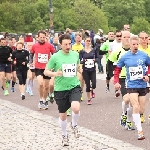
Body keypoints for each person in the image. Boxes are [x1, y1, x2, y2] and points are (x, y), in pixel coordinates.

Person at [44, 34, 81, 146]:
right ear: (60, 44)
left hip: (74, 86)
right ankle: (64, 135)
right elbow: (46, 71)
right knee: (63, 115)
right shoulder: (55, 56)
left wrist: (79, 69)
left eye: (69, 44)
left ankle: (74, 125)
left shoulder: (75, 54)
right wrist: (55, 73)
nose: (68, 46)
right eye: (65, 44)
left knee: (76, 107)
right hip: (60, 89)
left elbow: (78, 66)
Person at [114, 36, 150, 140]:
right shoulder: (125, 57)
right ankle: (140, 132)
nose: (135, 46)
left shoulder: (144, 55)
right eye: (133, 44)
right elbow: (117, 70)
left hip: (142, 85)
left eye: (137, 44)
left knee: (141, 109)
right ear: (129, 45)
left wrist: (148, 75)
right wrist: (116, 82)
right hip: (131, 85)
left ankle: (127, 115)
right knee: (135, 105)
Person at [30, 30, 55, 110]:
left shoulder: (49, 45)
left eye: (43, 37)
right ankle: (41, 99)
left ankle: (44, 100)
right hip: (38, 68)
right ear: (38, 37)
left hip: (47, 68)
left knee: (46, 86)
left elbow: (54, 55)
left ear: (46, 37)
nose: (42, 38)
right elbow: (31, 54)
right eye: (41, 37)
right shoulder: (35, 46)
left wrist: (53, 63)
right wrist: (31, 62)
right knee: (40, 84)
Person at [79, 37, 97, 105]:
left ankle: (92, 91)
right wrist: (84, 60)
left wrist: (95, 60)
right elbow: (80, 61)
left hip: (92, 69)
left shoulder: (93, 50)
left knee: (94, 84)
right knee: (88, 85)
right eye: (87, 41)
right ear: (84, 41)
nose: (88, 42)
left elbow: (97, 58)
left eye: (89, 41)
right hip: (85, 70)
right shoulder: (82, 51)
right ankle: (89, 99)